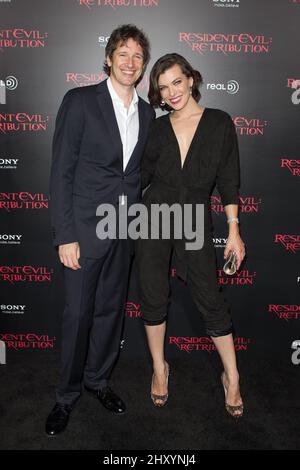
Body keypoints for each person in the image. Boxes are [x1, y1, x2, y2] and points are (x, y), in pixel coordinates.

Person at [46, 24, 155, 436]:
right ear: (109, 58)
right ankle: (66, 396)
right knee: (78, 315)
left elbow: (137, 174)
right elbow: (62, 173)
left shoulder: (146, 112)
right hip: (84, 233)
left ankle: (98, 381)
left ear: (143, 66)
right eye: (122, 54)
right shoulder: (80, 102)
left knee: (111, 312)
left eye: (137, 57)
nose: (130, 62)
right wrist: (65, 234)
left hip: (124, 231)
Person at [136, 53, 245, 417]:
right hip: (153, 215)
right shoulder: (157, 127)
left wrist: (234, 230)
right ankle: (159, 369)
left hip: (195, 217)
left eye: (176, 82)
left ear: (191, 79)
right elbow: (140, 178)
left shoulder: (218, 122)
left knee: (210, 298)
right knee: (152, 294)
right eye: (163, 88)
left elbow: (229, 180)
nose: (171, 92)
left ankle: (232, 376)